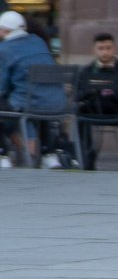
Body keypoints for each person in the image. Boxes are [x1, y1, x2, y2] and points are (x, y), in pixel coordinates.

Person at [0, 10, 63, 168]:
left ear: (4, 30)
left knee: (6, 107)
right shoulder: (38, 42)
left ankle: (3, 155)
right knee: (41, 102)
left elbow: (1, 87)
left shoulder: (4, 49)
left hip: (27, 103)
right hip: (57, 103)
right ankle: (49, 154)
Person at [76, 32, 118, 170]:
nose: (105, 52)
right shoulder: (86, 71)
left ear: (114, 49)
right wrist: (92, 90)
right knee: (78, 111)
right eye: (101, 48)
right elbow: (78, 95)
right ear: (94, 50)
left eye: (108, 48)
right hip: (94, 109)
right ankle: (87, 155)